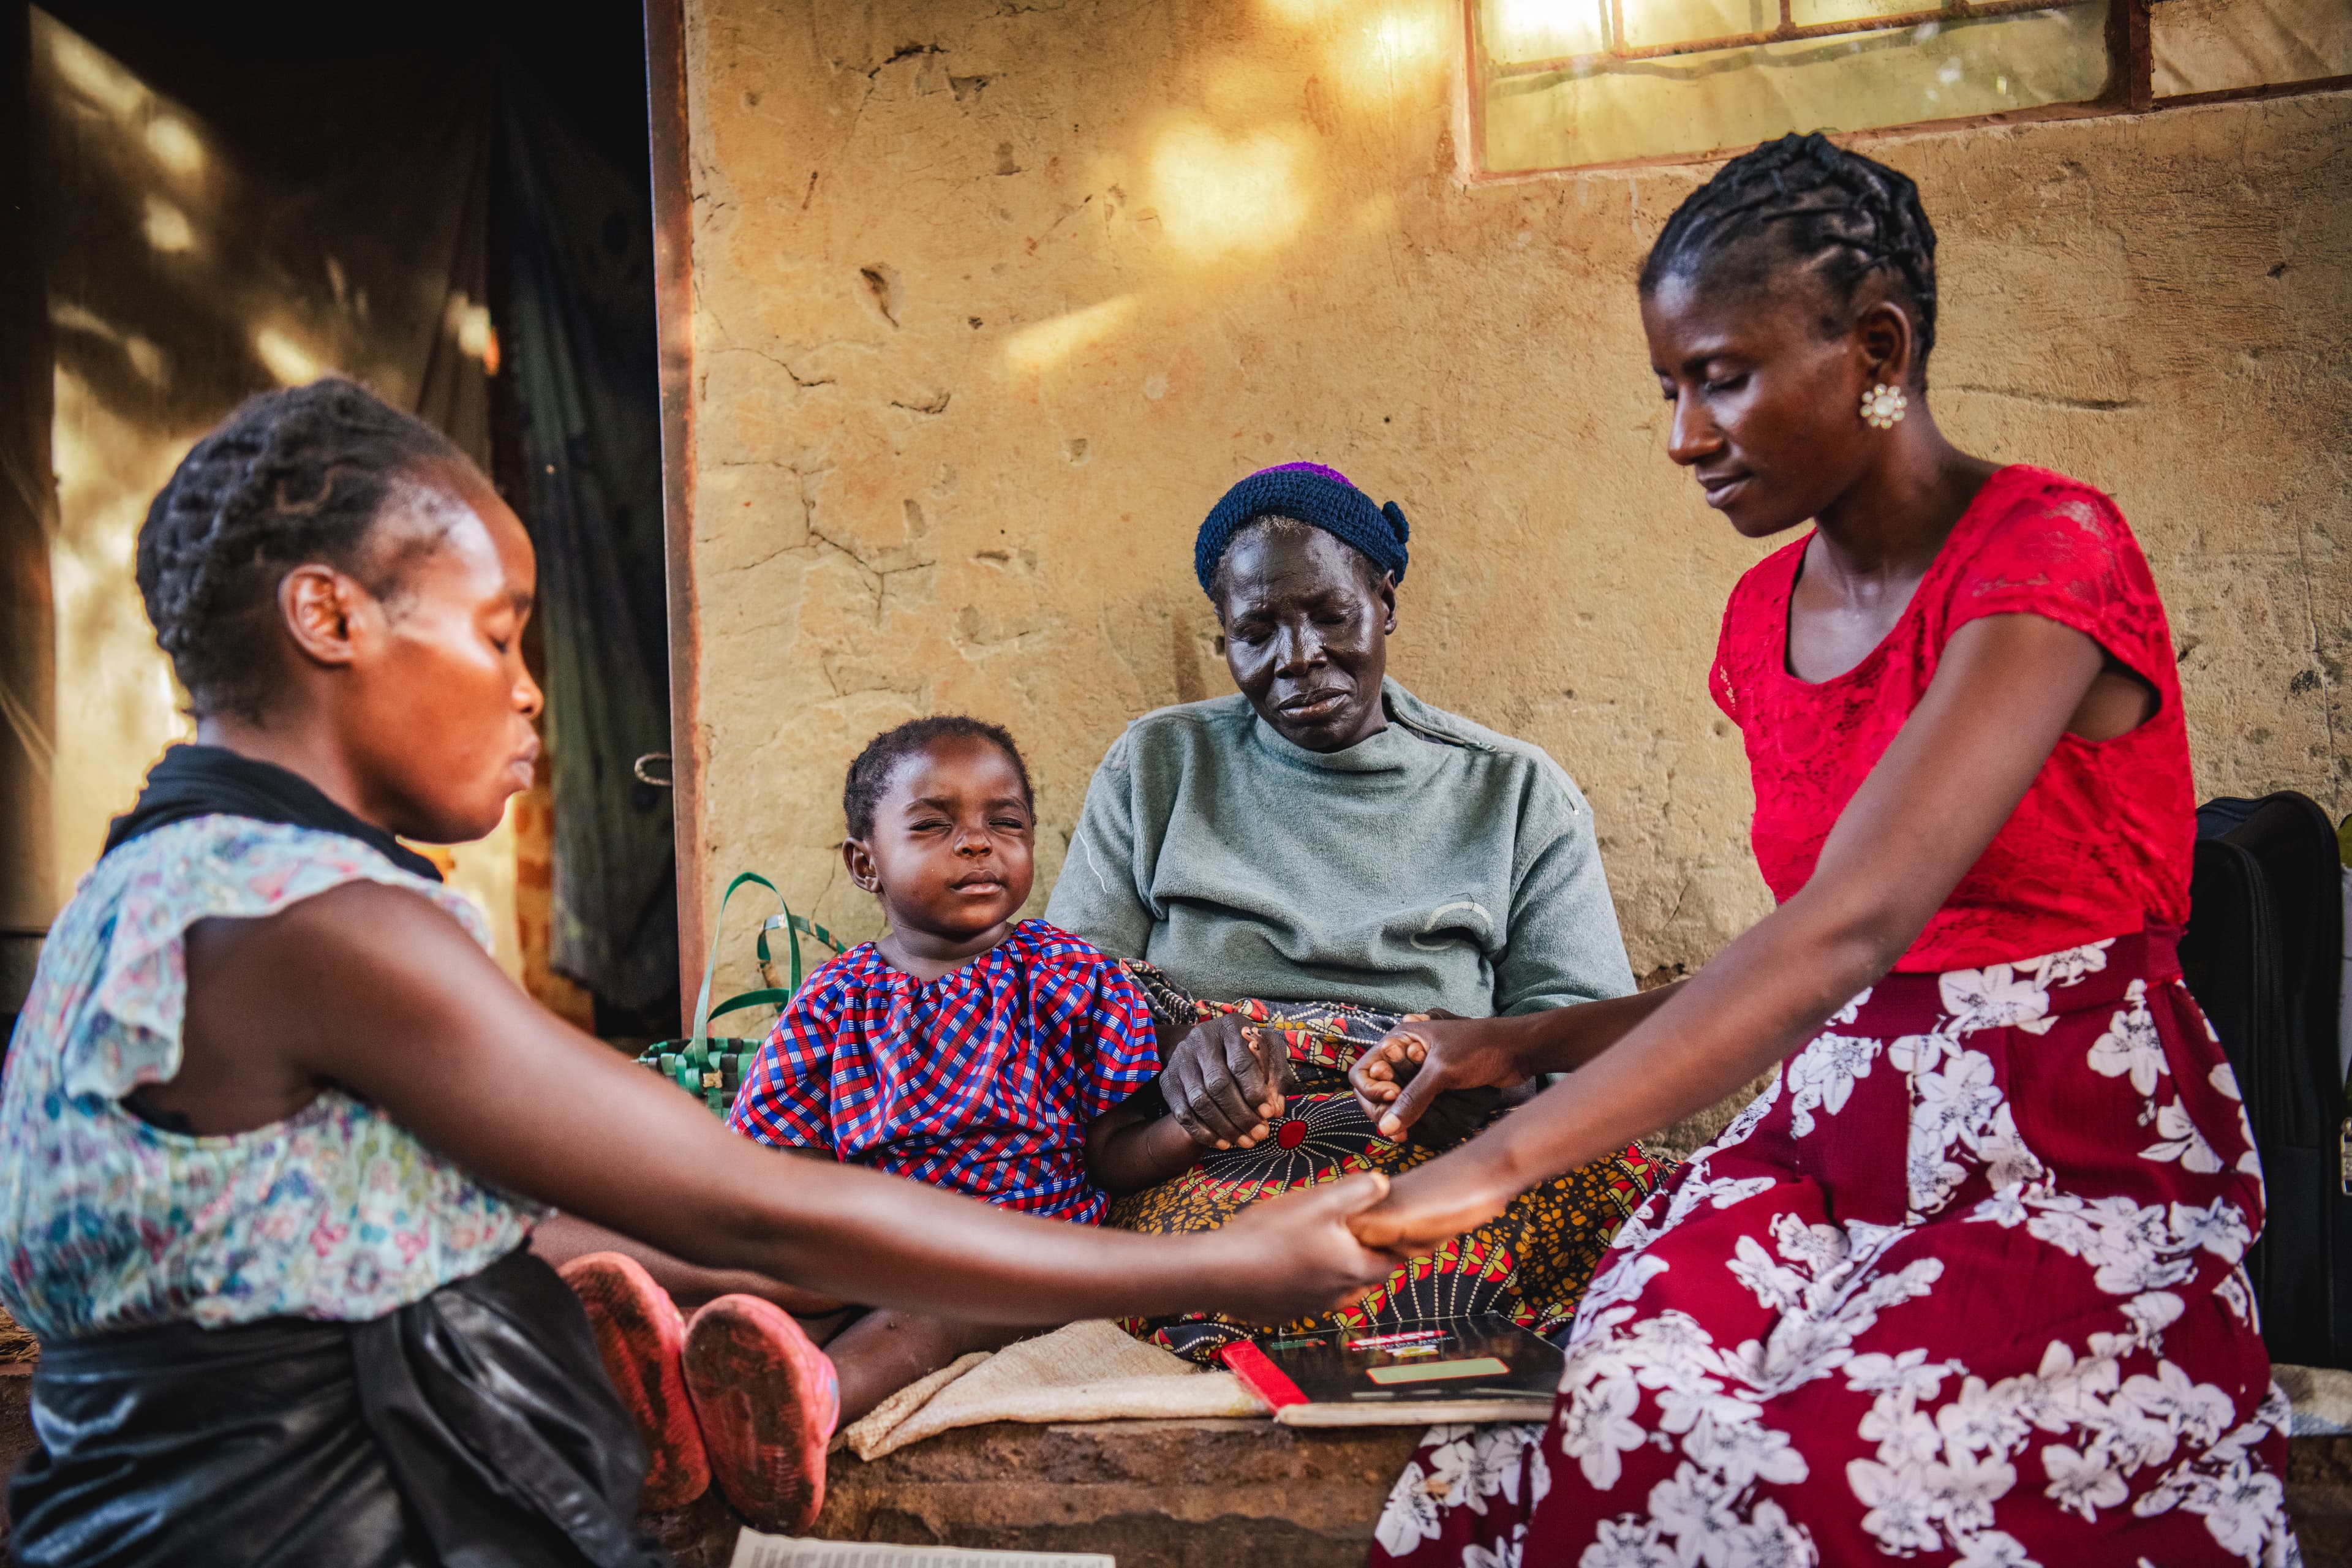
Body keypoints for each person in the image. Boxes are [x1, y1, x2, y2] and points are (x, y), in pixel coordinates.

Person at [0, 379, 1403, 1568]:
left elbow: (415, 1230)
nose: (532, 687)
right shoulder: (317, 922)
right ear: (328, 616)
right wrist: (1230, 1259)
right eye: (499, 633)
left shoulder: (149, 890)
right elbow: (749, 1200)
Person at [1349, 134, 2292, 1566]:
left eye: (1719, 375)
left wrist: (1502, 1165)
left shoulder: (2048, 553)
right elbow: (1823, 971)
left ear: (1877, 346)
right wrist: (1537, 1037)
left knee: (1841, 1471)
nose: (1683, 434)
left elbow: (1854, 924)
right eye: (1667, 386)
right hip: (1828, 1134)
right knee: (1617, 1408)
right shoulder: (1760, 622)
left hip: (2058, 1146)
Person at [1046, 461, 1668, 1360]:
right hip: (1222, 1149)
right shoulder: (1158, 767)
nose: (1298, 656)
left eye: (1330, 615)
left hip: (1444, 1145)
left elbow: (1595, 1050)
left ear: (1385, 601)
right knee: (1281, 1271)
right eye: (1257, 630)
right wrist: (1178, 1053)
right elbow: (1067, 997)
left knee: (1665, 1256)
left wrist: (1495, 1071)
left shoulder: (1513, 792)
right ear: (1223, 642)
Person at [565, 713, 1213, 1528]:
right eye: (934, 826)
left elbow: (1113, 1152)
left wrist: (1185, 1131)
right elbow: (777, 1161)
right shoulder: (837, 1000)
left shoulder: (1073, 977)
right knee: (768, 1306)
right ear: (865, 864)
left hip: (1013, 1244)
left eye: (1003, 823)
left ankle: (804, 1415)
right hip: (864, 1239)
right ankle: (668, 1398)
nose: (978, 844)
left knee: (920, 1318)